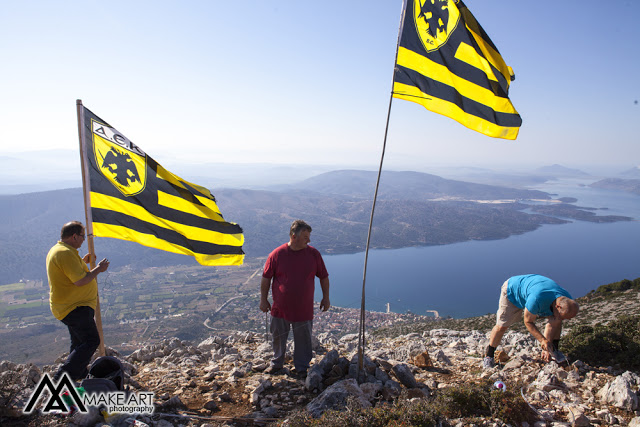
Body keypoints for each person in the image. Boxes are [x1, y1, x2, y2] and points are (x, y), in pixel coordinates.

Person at [260, 220, 330, 378]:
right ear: (294, 236)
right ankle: (277, 364)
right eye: (305, 237)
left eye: (309, 237)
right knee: (278, 337)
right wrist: (263, 300)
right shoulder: (277, 254)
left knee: (303, 339)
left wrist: (326, 297)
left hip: (303, 309)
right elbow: (266, 278)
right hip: (280, 308)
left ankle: (301, 368)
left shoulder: (313, 254)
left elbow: (324, 277)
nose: (309, 240)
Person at [46, 221, 110, 381]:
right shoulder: (65, 253)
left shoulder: (62, 250)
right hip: (74, 307)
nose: (83, 240)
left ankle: (78, 375)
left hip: (69, 306)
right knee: (91, 340)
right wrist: (98, 269)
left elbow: (70, 272)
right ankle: (62, 378)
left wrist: (83, 261)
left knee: (79, 342)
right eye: (82, 236)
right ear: (74, 236)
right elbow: (80, 280)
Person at [483, 274, 579, 369]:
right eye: (564, 317)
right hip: (512, 291)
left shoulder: (567, 299)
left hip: (533, 291)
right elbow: (528, 322)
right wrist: (542, 340)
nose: (564, 319)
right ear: (558, 307)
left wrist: (546, 347)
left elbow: (553, 324)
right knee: (502, 326)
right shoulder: (537, 299)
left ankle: (554, 350)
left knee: (557, 321)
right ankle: (489, 356)